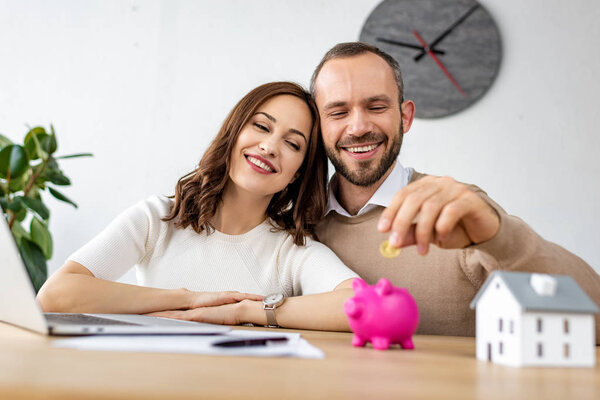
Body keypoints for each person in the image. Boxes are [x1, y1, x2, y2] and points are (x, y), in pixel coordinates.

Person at [310, 42, 600, 341]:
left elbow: (591, 319)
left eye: (377, 107)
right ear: (317, 127)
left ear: (405, 117)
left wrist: (499, 238)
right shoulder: (299, 225)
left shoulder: (457, 210)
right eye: (338, 112)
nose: (358, 127)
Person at [37, 81, 359, 331]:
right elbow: (55, 295)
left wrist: (241, 310)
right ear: (233, 133)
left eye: (292, 143)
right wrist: (188, 300)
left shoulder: (292, 252)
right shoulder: (158, 219)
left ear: (297, 173)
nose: (269, 146)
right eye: (261, 126)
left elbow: (361, 305)